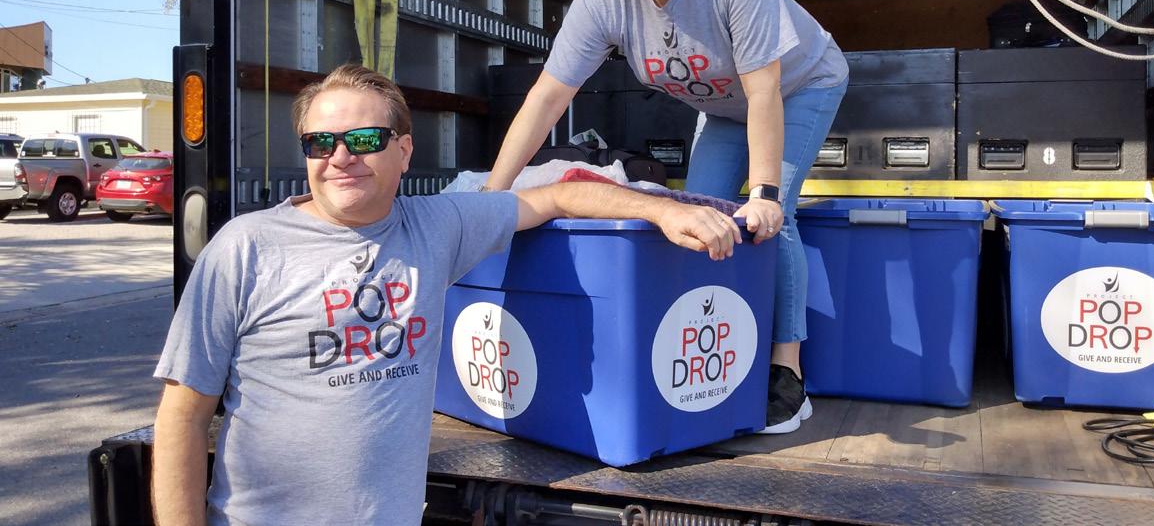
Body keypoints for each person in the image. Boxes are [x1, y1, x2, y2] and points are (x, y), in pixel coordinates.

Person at [151, 64, 741, 525]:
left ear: (404, 151)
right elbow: (183, 416)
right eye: (320, 142)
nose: (341, 157)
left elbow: (559, 195)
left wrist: (663, 210)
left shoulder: (435, 226)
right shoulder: (245, 248)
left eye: (364, 138)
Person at [485, 0, 849, 435]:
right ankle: (722, 351)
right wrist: (493, 197)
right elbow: (547, 98)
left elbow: (763, 92)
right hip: (722, 105)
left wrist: (763, 193)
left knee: (768, 218)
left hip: (798, 85)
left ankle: (787, 373)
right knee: (699, 214)